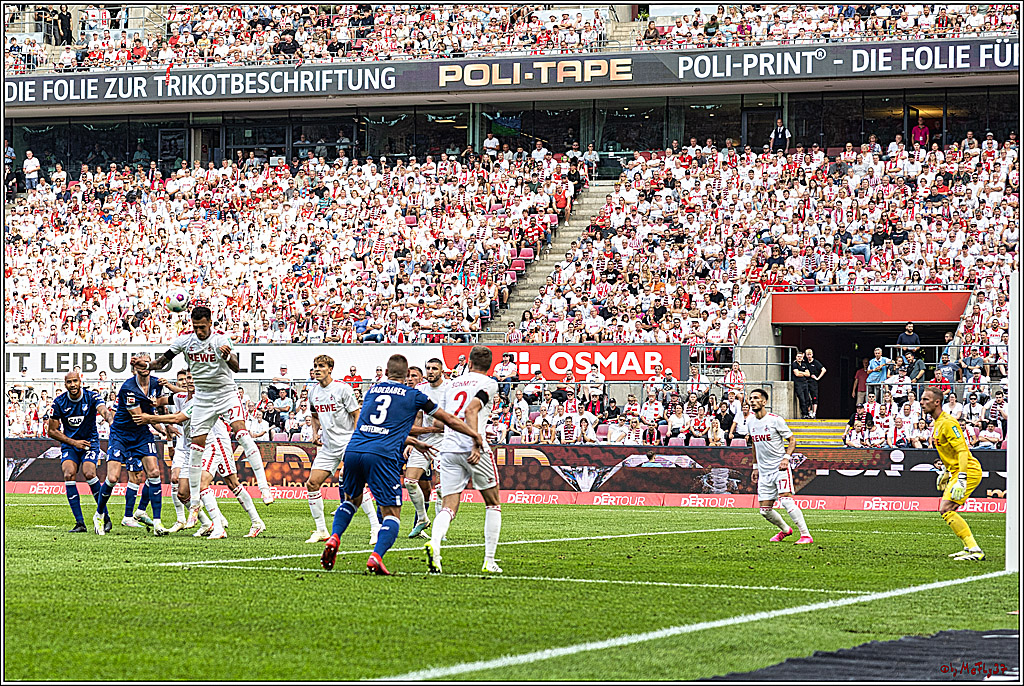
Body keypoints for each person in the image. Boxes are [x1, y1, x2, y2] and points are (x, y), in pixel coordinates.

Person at [320, 354, 482, 576]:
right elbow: (449, 420)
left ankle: (335, 536)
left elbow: (380, 425)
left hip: (355, 450)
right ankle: (376, 557)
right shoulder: (414, 395)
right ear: (407, 376)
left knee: (351, 500)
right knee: (392, 514)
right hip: (382, 455)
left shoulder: (372, 392)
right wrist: (474, 435)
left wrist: (413, 440)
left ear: (386, 373)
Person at [133, 306, 274, 507]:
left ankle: (264, 488)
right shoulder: (185, 341)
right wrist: (145, 365)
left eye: (202, 327)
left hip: (226, 394)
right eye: (195, 327)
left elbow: (236, 366)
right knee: (196, 445)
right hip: (203, 398)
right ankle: (195, 503)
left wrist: (226, 356)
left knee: (242, 434)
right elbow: (162, 362)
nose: (199, 331)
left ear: (210, 323)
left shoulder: (220, 340)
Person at [426, 346, 504, 575]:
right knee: (493, 502)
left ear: (469, 362)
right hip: (472, 449)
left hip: (449, 447)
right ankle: (489, 560)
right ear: (489, 365)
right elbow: (471, 410)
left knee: (449, 505)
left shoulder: (452, 385)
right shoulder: (489, 383)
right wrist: (476, 440)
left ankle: (436, 545)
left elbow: (446, 419)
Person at [91, 354, 169, 536]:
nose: (145, 367)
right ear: (135, 368)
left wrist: (167, 427)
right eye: (141, 364)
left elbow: (156, 408)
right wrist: (167, 424)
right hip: (122, 435)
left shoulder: (157, 383)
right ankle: (99, 514)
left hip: (141, 434)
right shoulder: (128, 387)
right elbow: (140, 416)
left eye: (148, 363)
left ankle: (157, 523)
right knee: (112, 478)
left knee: (154, 473)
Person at [302, 354, 373, 544]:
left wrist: (357, 440)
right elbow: (315, 415)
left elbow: (356, 414)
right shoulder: (313, 392)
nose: (317, 369)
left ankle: (375, 528)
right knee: (312, 483)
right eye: (315, 366)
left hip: (348, 442)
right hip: (328, 446)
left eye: (321, 366)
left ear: (330, 369)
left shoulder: (342, 389)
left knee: (355, 485)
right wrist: (315, 433)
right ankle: (321, 530)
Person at [921, 386, 985, 561]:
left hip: (968, 470)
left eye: (926, 399)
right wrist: (947, 472)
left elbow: (962, 451)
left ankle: (975, 550)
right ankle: (968, 547)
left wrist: (962, 478)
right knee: (949, 509)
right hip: (957, 471)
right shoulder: (938, 423)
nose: (922, 402)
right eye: (922, 399)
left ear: (937, 402)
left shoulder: (948, 422)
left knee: (946, 509)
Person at [47, 371, 113, 532]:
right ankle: (80, 523)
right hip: (71, 444)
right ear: (65, 384)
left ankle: (104, 517)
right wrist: (73, 442)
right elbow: (52, 431)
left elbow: (103, 410)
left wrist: (110, 420)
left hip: (89, 443)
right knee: (68, 473)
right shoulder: (59, 402)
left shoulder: (92, 397)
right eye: (69, 382)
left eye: (75, 381)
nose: (73, 385)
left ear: (80, 381)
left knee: (89, 473)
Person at [747, 388, 812, 545]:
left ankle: (806, 535)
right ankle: (785, 530)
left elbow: (792, 440)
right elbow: (754, 445)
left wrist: (786, 458)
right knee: (764, 511)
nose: (752, 401)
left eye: (756, 398)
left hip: (779, 468)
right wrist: (755, 466)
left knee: (787, 501)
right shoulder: (750, 422)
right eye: (751, 398)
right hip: (763, 471)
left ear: (764, 402)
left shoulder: (775, 420)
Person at [406, 357, 448, 537]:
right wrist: (412, 440)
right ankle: (423, 519)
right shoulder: (420, 390)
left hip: (444, 441)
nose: (431, 371)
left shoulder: (450, 388)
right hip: (423, 441)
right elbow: (415, 418)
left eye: (434, 368)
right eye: (428, 368)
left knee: (440, 488)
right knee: (409, 482)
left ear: (442, 371)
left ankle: (440, 531)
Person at [803, 349, 825, 419]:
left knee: (814, 397)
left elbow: (824, 370)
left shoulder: (816, 362)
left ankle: (814, 413)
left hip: (813, 382)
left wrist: (818, 378)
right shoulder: (805, 362)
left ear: (812, 354)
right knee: (807, 397)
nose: (809, 356)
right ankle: (809, 412)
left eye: (810, 354)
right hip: (806, 381)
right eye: (807, 355)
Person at [791, 351, 811, 419]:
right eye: (798, 356)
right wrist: (803, 373)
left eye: (801, 357)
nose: (799, 358)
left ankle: (808, 413)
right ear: (796, 357)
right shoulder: (794, 364)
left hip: (805, 383)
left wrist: (801, 372)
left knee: (807, 399)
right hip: (798, 384)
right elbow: (796, 374)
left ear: (803, 358)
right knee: (802, 399)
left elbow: (808, 374)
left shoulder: (804, 364)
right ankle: (804, 414)